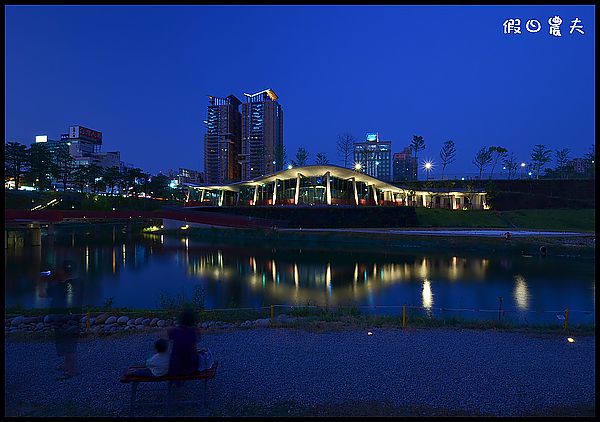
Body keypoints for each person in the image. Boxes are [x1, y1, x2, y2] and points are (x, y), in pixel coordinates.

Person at [164, 309, 200, 377]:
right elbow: (194, 349)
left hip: (175, 366)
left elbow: (162, 335)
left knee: (172, 355)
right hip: (190, 367)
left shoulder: (174, 331)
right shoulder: (193, 332)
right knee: (197, 355)